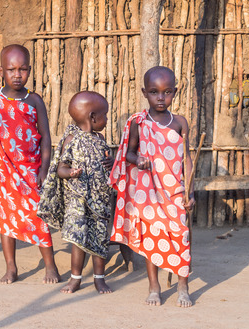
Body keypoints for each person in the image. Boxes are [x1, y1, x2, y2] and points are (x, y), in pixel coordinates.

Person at [109, 66, 195, 307]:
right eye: (155, 92)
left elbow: (186, 159)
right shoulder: (139, 122)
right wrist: (139, 160)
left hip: (175, 192)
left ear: (175, 92)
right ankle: (154, 287)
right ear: (144, 92)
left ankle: (182, 286)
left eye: (167, 92)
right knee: (152, 237)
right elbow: (128, 153)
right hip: (148, 194)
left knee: (181, 236)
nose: (161, 97)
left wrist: (191, 190)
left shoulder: (179, 123)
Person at [0, 44, 60, 284]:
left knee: (38, 217)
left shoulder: (34, 101)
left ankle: (50, 266)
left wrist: (44, 169)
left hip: (29, 170)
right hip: (1, 171)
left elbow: (45, 137)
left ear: (30, 70)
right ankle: (11, 268)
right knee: (6, 219)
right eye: (11, 69)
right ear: (1, 70)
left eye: (23, 69)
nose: (17, 74)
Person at [37, 91, 115, 294]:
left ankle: (99, 278)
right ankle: (76, 278)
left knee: (100, 240)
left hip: (100, 201)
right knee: (78, 241)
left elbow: (107, 166)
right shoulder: (72, 139)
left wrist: (112, 162)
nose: (107, 119)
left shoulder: (100, 139)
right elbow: (60, 168)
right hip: (77, 202)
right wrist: (70, 173)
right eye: (105, 115)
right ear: (92, 117)